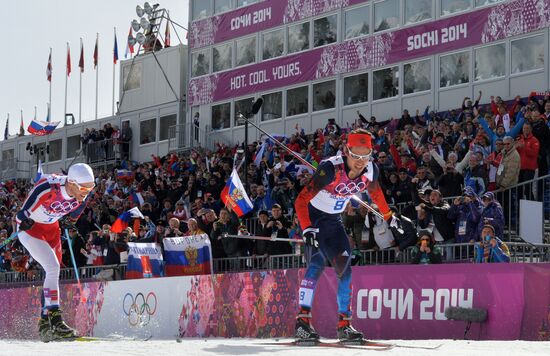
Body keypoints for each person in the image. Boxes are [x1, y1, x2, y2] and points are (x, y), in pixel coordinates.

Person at [294, 129, 398, 344]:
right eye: (355, 155)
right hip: (314, 219)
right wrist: (307, 229)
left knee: (345, 270)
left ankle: (344, 325)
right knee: (316, 265)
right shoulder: (330, 169)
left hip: (333, 222)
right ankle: (302, 323)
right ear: (346, 151)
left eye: (365, 155)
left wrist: (389, 216)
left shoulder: (371, 170)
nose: (360, 161)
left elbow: (376, 193)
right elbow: (300, 200)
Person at [16, 163, 95, 342]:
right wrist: (24, 221)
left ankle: (44, 323)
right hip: (32, 230)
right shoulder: (47, 187)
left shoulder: (81, 192)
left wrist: (71, 220)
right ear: (72, 183)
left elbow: (77, 209)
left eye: (92, 187)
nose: (87, 192)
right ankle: (56, 319)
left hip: (52, 230)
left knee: (54, 271)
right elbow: (19, 215)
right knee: (52, 268)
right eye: (84, 188)